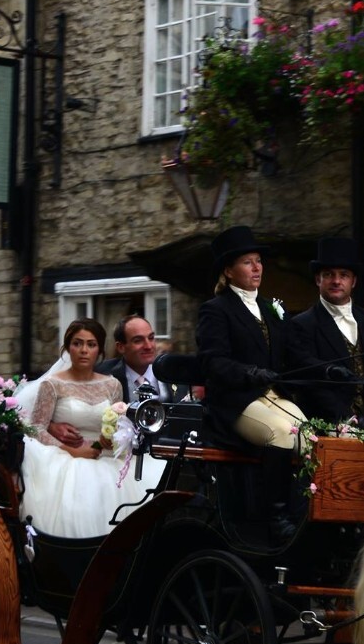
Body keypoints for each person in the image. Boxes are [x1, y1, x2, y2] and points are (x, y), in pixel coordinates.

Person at [196, 225, 306, 541]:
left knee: (308, 436)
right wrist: (250, 373)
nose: (257, 268)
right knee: (282, 433)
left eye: (259, 261)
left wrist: (326, 370)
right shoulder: (215, 310)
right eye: (248, 262)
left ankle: (303, 508)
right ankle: (274, 515)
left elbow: (293, 354)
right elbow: (213, 362)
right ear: (228, 271)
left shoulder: (272, 308)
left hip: (271, 396)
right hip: (235, 402)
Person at [18, 317, 164, 538]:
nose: (84, 350)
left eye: (91, 344)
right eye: (77, 344)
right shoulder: (53, 385)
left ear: (100, 351)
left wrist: (110, 440)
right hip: (65, 457)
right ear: (68, 348)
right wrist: (73, 450)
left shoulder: (112, 384)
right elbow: (37, 428)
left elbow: (118, 425)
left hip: (104, 455)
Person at [286, 237, 364, 428]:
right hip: (330, 426)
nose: (336, 281)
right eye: (329, 274)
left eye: (343, 275)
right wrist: (351, 420)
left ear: (353, 281)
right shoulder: (302, 325)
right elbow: (311, 383)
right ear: (318, 279)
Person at [49, 315, 186, 448]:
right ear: (121, 347)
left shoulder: (174, 373)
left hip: (168, 456)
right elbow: (67, 405)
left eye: (151, 338)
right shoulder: (102, 373)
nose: (148, 346)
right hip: (120, 457)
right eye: (138, 341)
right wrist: (52, 426)